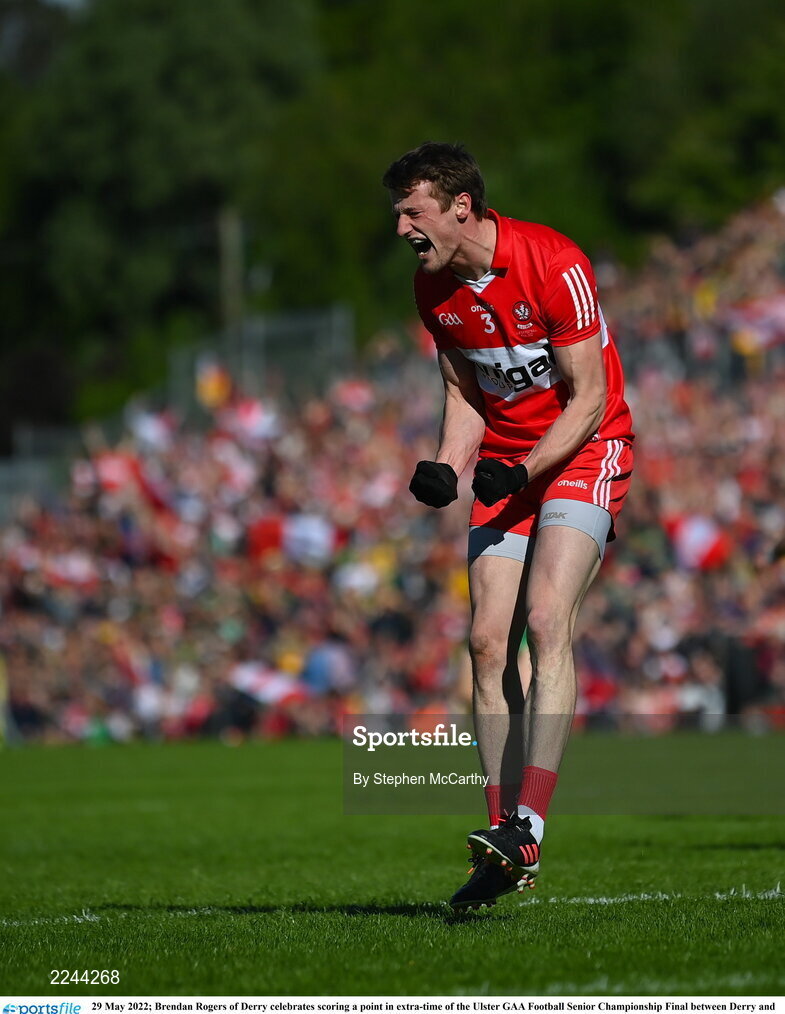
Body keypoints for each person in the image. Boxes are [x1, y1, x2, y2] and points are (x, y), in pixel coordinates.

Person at [382, 142, 634, 910]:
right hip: (501, 464)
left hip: (584, 447)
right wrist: (445, 466)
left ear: (461, 206)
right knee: (487, 643)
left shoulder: (552, 260)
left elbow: (586, 397)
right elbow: (465, 397)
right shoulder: (433, 291)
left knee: (545, 618)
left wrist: (519, 473)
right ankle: (501, 847)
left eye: (411, 212)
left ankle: (528, 824)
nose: (401, 229)